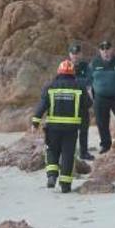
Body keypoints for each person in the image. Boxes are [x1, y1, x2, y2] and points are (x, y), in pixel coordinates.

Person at [32, 59, 92, 193]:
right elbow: (88, 104)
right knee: (68, 155)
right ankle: (65, 185)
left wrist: (35, 122)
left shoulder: (50, 86)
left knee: (52, 150)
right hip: (71, 129)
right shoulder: (79, 87)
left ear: (59, 72)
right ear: (73, 73)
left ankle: (52, 176)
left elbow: (42, 106)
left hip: (53, 128)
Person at [90, 40, 115, 153]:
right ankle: (105, 145)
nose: (105, 52)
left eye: (107, 49)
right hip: (100, 97)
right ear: (100, 51)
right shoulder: (95, 62)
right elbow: (90, 79)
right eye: (103, 50)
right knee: (102, 122)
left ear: (112, 49)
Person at [68, 43, 95, 160]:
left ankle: (84, 152)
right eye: (73, 54)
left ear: (81, 54)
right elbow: (62, 80)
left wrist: (74, 81)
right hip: (69, 102)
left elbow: (90, 80)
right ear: (70, 55)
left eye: (77, 53)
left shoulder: (86, 66)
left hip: (83, 102)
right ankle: (70, 152)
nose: (75, 56)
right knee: (70, 130)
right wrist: (80, 82)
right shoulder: (66, 66)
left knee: (84, 128)